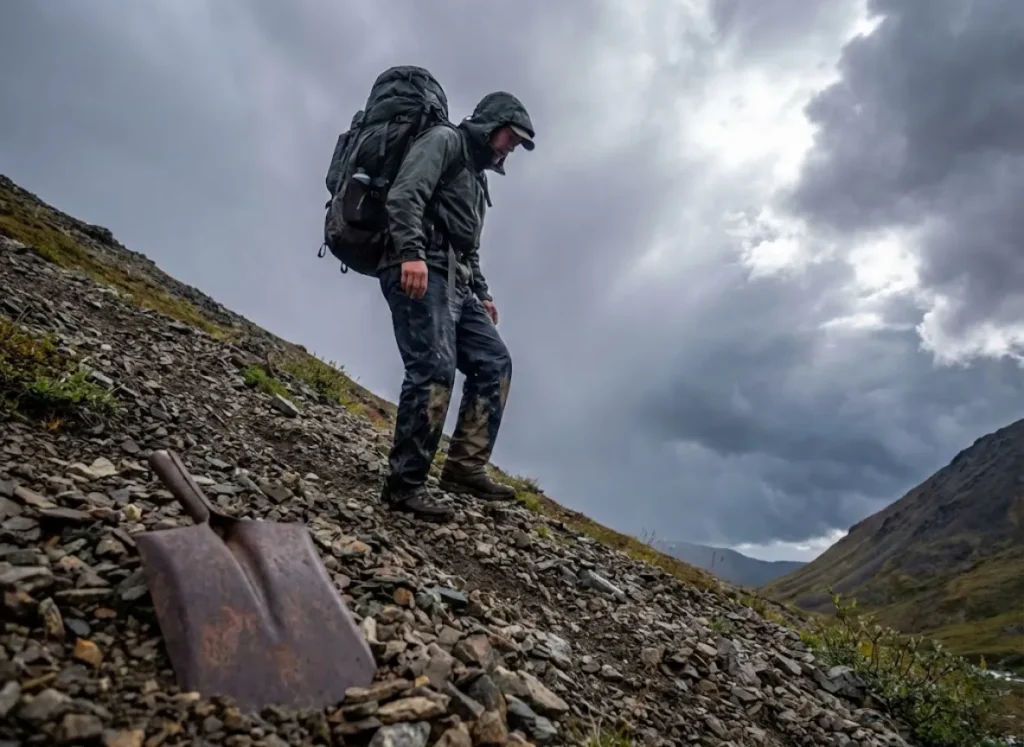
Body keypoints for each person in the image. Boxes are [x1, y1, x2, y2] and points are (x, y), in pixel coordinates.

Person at [376, 91, 535, 521]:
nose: (511, 147)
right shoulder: (444, 141)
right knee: (434, 367)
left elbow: (468, 244)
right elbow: (405, 194)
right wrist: (410, 252)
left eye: (517, 143)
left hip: (457, 283)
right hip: (418, 267)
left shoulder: (477, 177)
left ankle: (464, 468)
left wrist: (482, 292)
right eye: (510, 136)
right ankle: (404, 486)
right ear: (491, 124)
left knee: (494, 361)